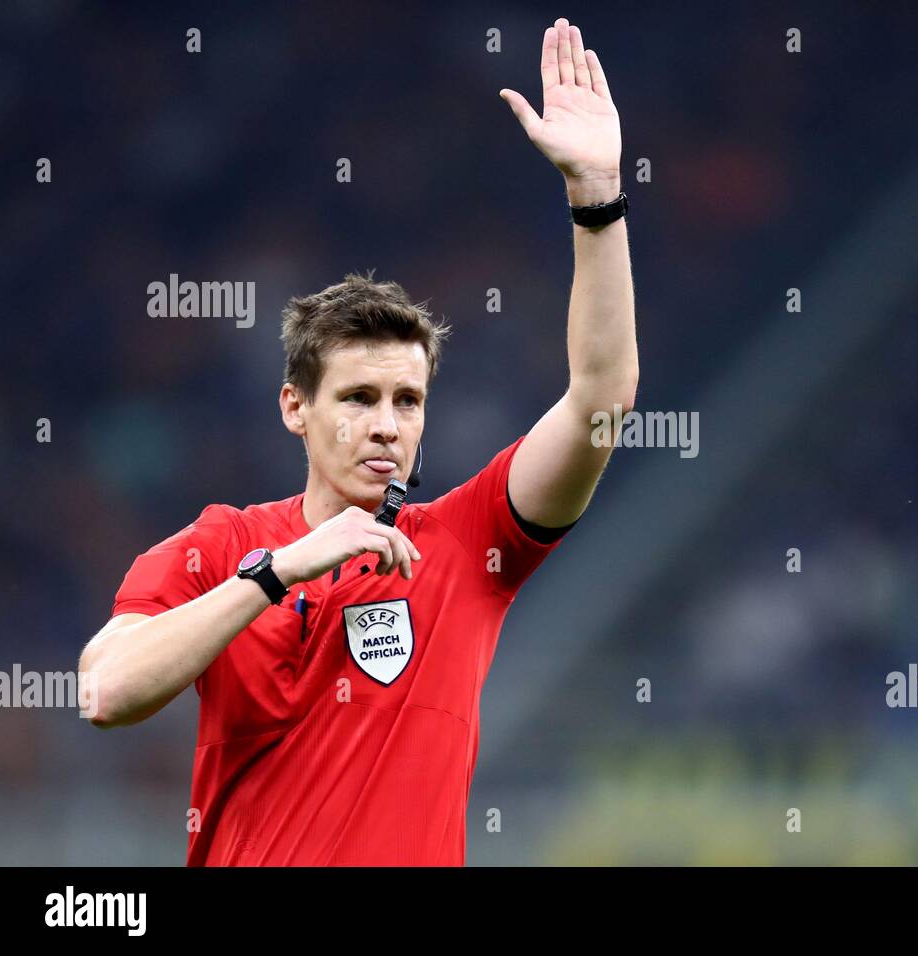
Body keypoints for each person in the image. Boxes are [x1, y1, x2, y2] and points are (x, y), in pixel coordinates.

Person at [77, 17, 636, 866]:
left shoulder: (469, 543)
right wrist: (275, 574)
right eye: (360, 397)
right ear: (294, 408)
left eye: (408, 400)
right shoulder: (221, 544)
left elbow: (602, 400)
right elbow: (107, 691)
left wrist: (596, 196)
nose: (386, 422)